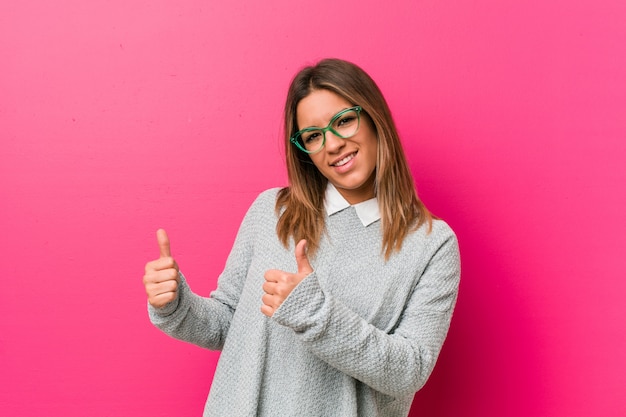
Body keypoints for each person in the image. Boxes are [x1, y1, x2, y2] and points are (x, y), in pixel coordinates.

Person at [143, 58, 460, 417]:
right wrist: (175, 304)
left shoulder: (432, 244)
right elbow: (227, 323)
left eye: (344, 121)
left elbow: (409, 371)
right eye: (313, 136)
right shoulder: (272, 212)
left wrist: (315, 312)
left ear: (374, 118)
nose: (333, 144)